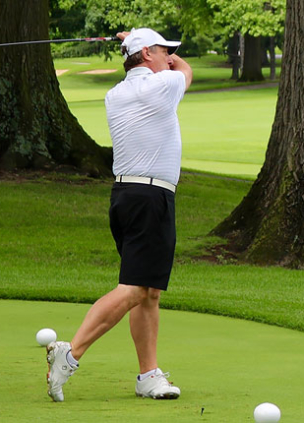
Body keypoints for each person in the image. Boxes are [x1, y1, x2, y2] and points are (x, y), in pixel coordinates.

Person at [45, 28, 192, 402]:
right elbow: (185, 72)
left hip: (126, 196)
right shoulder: (161, 85)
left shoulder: (118, 93)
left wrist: (142, 46)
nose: (170, 57)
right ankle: (71, 352)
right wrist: (171, 61)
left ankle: (148, 375)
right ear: (146, 55)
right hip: (150, 198)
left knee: (148, 292)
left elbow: (159, 66)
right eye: (163, 51)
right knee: (134, 290)